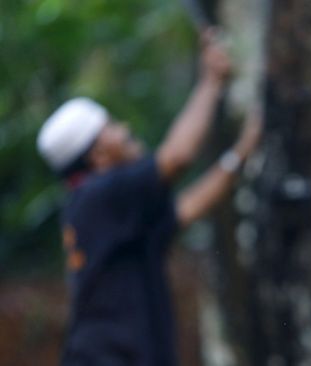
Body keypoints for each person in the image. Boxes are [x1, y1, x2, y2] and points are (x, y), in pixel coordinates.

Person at [36, 29, 262, 366]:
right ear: (98, 156)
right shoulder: (100, 195)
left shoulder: (102, 209)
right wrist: (211, 82)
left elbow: (185, 208)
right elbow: (176, 157)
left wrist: (241, 154)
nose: (125, 129)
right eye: (112, 126)